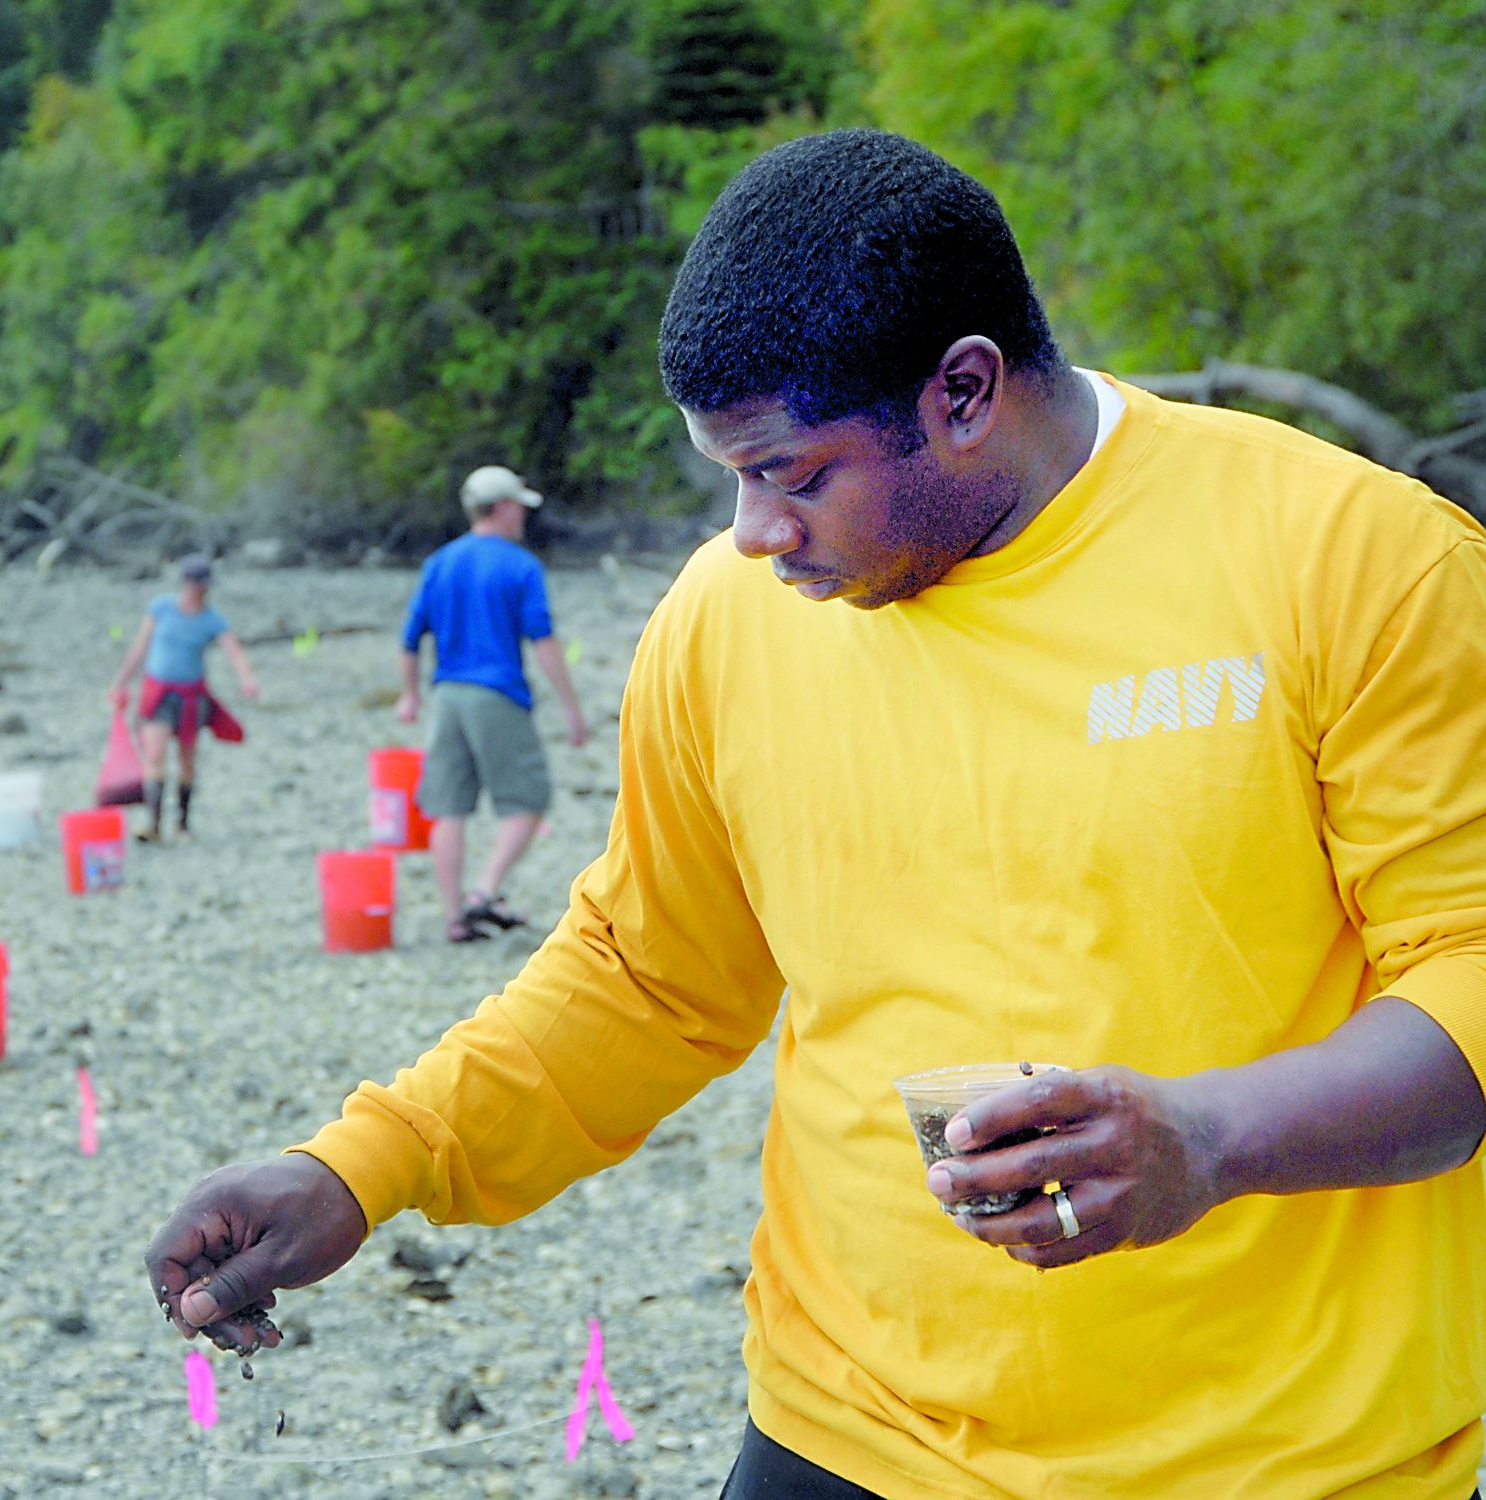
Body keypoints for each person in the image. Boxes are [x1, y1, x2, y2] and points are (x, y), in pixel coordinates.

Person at [145, 129, 1486, 1500]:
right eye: (725, 476)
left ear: (964, 391)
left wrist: (1205, 1142)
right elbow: (646, 979)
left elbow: (1468, 978)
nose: (748, 532)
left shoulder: (1356, 563)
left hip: (1290, 1459)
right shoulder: (726, 621)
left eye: (790, 473)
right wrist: (361, 1168)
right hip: (842, 1430)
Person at [395, 465, 590, 942]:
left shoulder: (439, 562)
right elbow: (541, 639)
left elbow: (408, 637)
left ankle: (453, 917)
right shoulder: (520, 566)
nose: (523, 514)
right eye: (519, 505)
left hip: (447, 695)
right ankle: (484, 892)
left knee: (448, 807)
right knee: (528, 800)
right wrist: (570, 706)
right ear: (502, 507)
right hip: (496, 693)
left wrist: (411, 694)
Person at [107, 554, 260, 842]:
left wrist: (247, 679)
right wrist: (120, 683)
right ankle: (153, 824)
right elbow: (139, 647)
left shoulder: (211, 619)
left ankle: (183, 824)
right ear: (185, 583)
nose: (199, 591)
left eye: (203, 585)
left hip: (191, 696)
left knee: (187, 759)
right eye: (195, 584)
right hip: (159, 692)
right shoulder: (161, 608)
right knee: (154, 754)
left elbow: (233, 650)